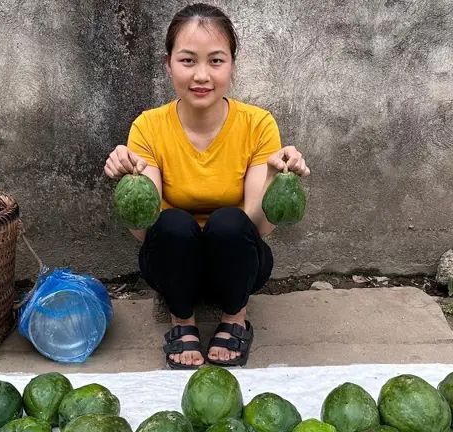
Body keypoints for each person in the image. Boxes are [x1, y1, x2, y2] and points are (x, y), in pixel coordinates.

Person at [104, 3, 311, 369]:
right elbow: (144, 230)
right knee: (172, 223)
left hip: (236, 266)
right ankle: (182, 321)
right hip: (172, 265)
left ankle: (235, 317)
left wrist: (277, 176)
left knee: (230, 221)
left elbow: (259, 228)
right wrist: (127, 178)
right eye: (187, 61)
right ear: (168, 65)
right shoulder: (148, 127)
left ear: (231, 65)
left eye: (216, 61)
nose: (202, 75)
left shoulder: (257, 125)